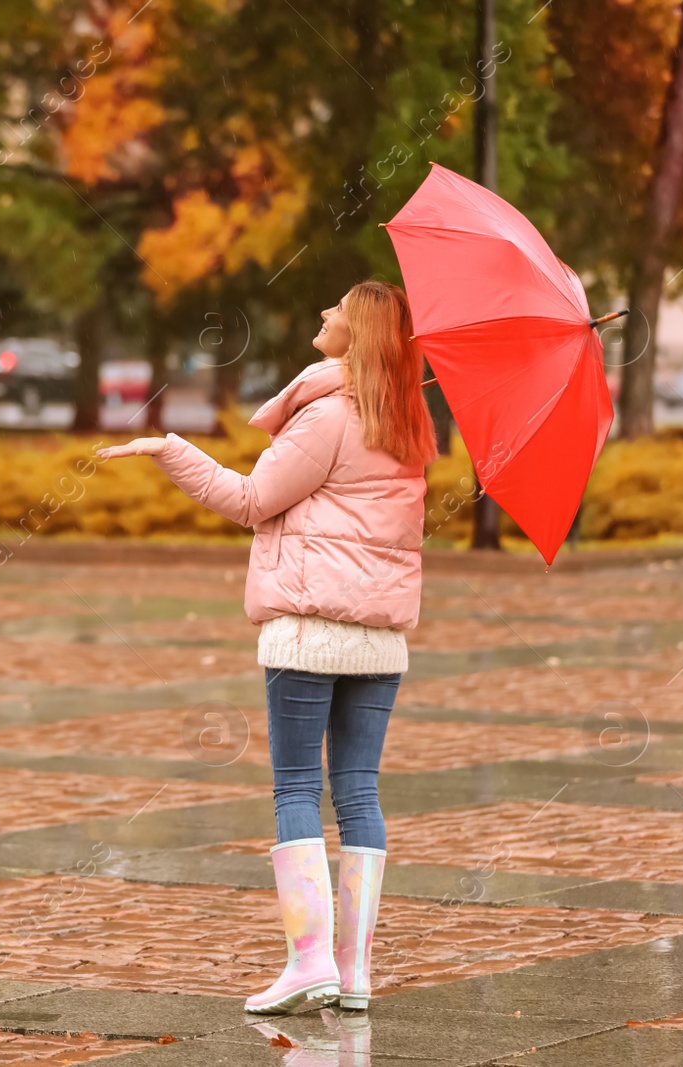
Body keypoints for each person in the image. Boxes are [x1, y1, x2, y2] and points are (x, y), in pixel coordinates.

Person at [97, 281, 435, 1014]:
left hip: (309, 631)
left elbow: (251, 501)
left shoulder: (328, 416)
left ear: (360, 330)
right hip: (379, 642)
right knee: (359, 791)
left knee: (294, 789)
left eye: (335, 309)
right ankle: (354, 973)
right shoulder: (409, 422)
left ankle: (308, 958)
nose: (323, 314)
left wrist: (168, 450)